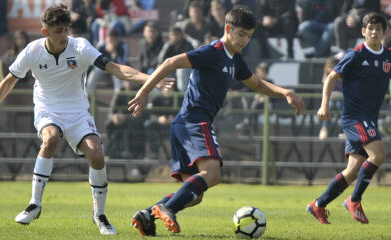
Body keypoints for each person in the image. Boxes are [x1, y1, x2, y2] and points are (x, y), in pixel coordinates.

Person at [0, 4, 173, 235]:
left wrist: (151, 80)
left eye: (66, 29)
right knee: (50, 139)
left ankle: (100, 215)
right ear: (45, 32)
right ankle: (34, 204)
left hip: (78, 112)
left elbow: (116, 68)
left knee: (96, 155)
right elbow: (8, 81)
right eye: (58, 30)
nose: (64, 35)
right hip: (48, 108)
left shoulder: (80, 47)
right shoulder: (32, 51)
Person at [128, 8, 305, 236]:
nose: (245, 40)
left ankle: (146, 215)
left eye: (249, 36)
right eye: (241, 34)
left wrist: (285, 92)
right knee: (212, 174)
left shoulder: (235, 60)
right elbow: (171, 61)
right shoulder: (213, 52)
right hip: (194, 121)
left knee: (195, 196)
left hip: (184, 124)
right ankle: (166, 208)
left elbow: (258, 85)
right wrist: (144, 92)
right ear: (228, 29)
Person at [307, 12, 390, 224]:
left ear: (384, 32)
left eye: (378, 28)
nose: (374, 32)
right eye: (370, 28)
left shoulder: (388, 56)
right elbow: (332, 77)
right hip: (355, 117)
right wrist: (324, 104)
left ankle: (318, 204)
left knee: (353, 171)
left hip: (368, 117)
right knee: (378, 154)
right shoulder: (356, 54)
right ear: (363, 31)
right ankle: (354, 200)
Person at [86, 28, 128, 92]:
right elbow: (96, 62)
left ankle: (118, 96)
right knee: (95, 72)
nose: (112, 42)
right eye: (110, 40)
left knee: (117, 74)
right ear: (106, 39)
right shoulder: (101, 46)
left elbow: (123, 63)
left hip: (116, 68)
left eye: (115, 40)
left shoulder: (123, 46)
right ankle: (88, 93)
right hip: (103, 68)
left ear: (118, 39)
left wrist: (114, 53)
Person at [318, 55, 343, 139]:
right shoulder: (327, 75)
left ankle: (345, 130)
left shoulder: (342, 74)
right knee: (330, 106)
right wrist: (329, 75)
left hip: (341, 97)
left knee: (341, 106)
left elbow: (342, 86)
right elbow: (324, 84)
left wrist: (338, 77)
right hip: (331, 98)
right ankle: (324, 128)